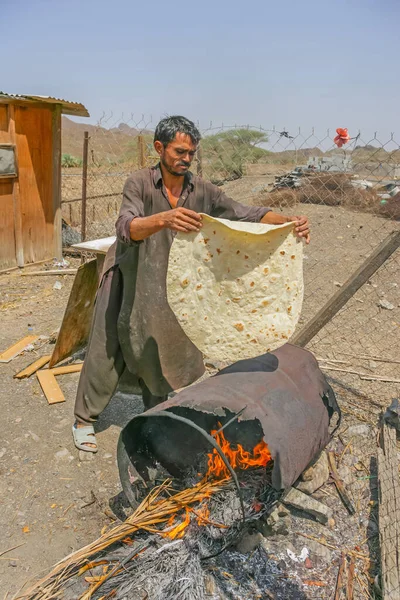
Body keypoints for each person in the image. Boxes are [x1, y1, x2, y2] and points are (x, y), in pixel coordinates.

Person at [72, 116, 310, 452]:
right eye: (179, 151)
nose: (186, 158)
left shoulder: (202, 190)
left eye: (191, 153)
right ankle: (84, 420)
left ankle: (153, 415)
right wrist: (163, 219)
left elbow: (245, 214)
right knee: (107, 346)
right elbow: (126, 226)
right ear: (159, 148)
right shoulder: (139, 183)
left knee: (158, 344)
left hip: (165, 282)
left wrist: (288, 222)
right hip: (128, 274)